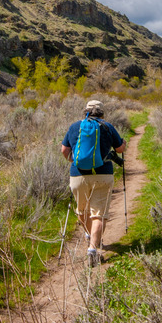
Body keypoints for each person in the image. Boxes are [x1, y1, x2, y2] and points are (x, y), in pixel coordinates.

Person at [61, 100, 126, 267]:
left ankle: (89, 235)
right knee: (98, 214)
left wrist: (74, 162)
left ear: (86, 112)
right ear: (101, 112)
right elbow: (119, 149)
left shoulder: (75, 126)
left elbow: (64, 150)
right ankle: (92, 250)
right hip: (103, 175)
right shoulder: (107, 126)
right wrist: (123, 144)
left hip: (78, 176)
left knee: (82, 210)